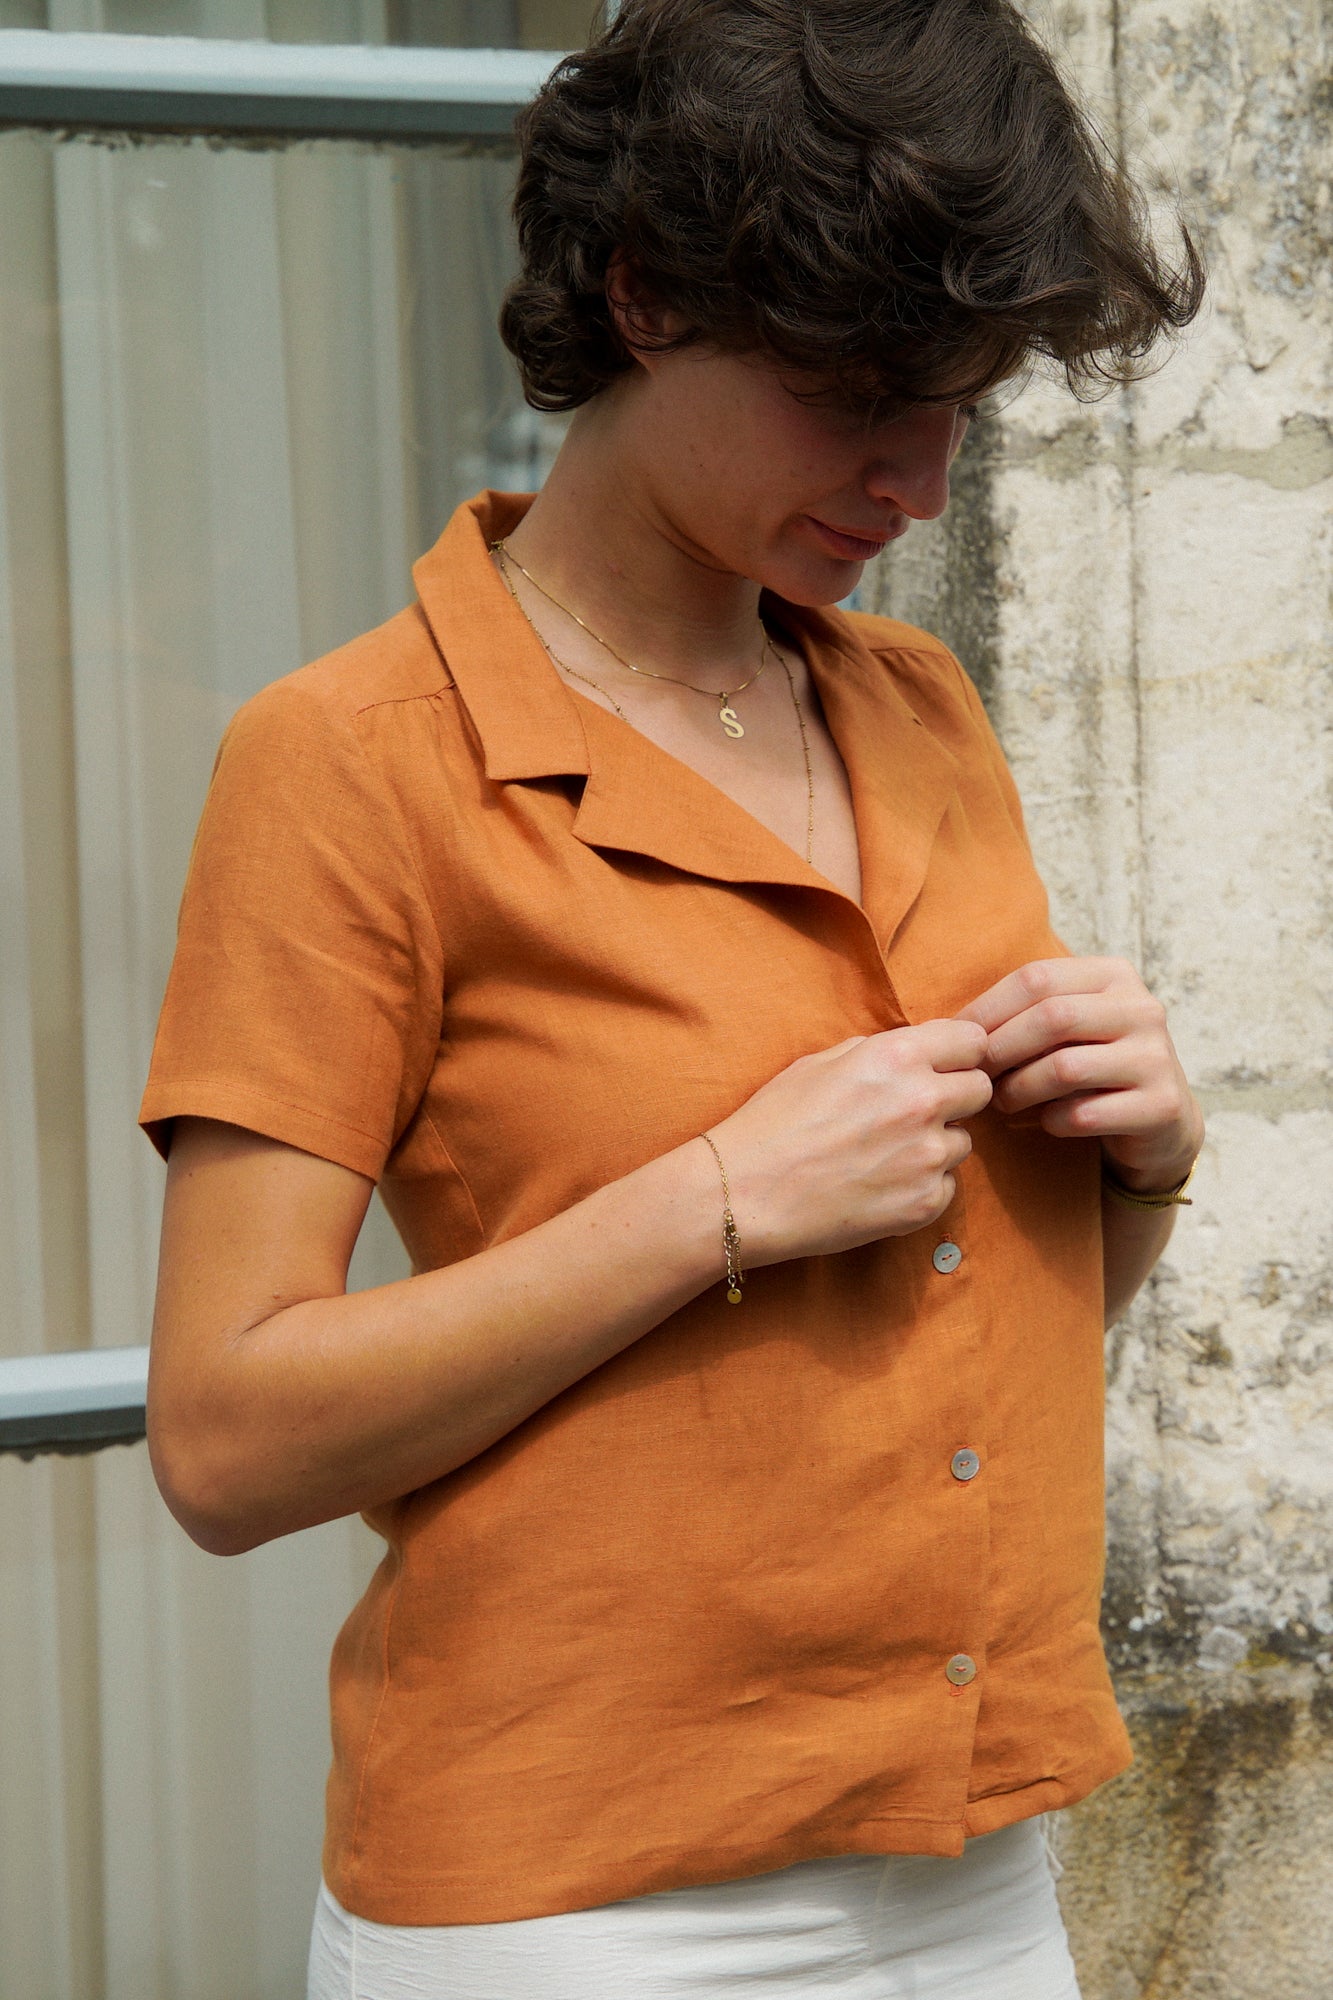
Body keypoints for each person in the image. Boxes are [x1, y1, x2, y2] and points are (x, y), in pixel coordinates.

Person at [140, 0, 1206, 1993]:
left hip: (973, 1870)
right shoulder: (353, 757)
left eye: (960, 396)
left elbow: (954, 1316)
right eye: (863, 387)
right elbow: (221, 1437)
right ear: (643, 296)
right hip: (579, 1906)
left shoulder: (914, 708)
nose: (921, 471)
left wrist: (1132, 1167)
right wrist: (710, 1197)